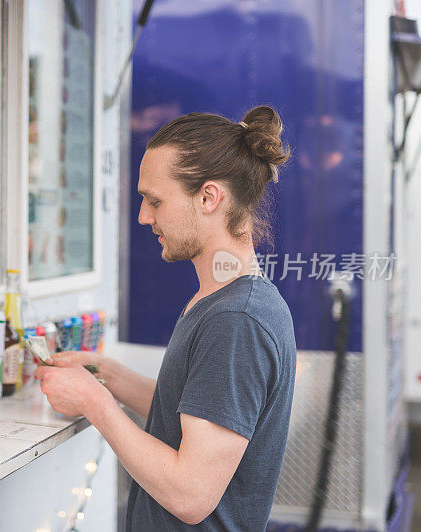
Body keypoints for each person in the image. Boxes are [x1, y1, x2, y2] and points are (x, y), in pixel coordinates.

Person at [35, 106, 297, 530]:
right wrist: (112, 377)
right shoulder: (220, 298)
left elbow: (190, 495)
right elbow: (199, 413)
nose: (144, 216)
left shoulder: (236, 320)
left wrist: (95, 403)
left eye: (154, 200)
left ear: (209, 198)